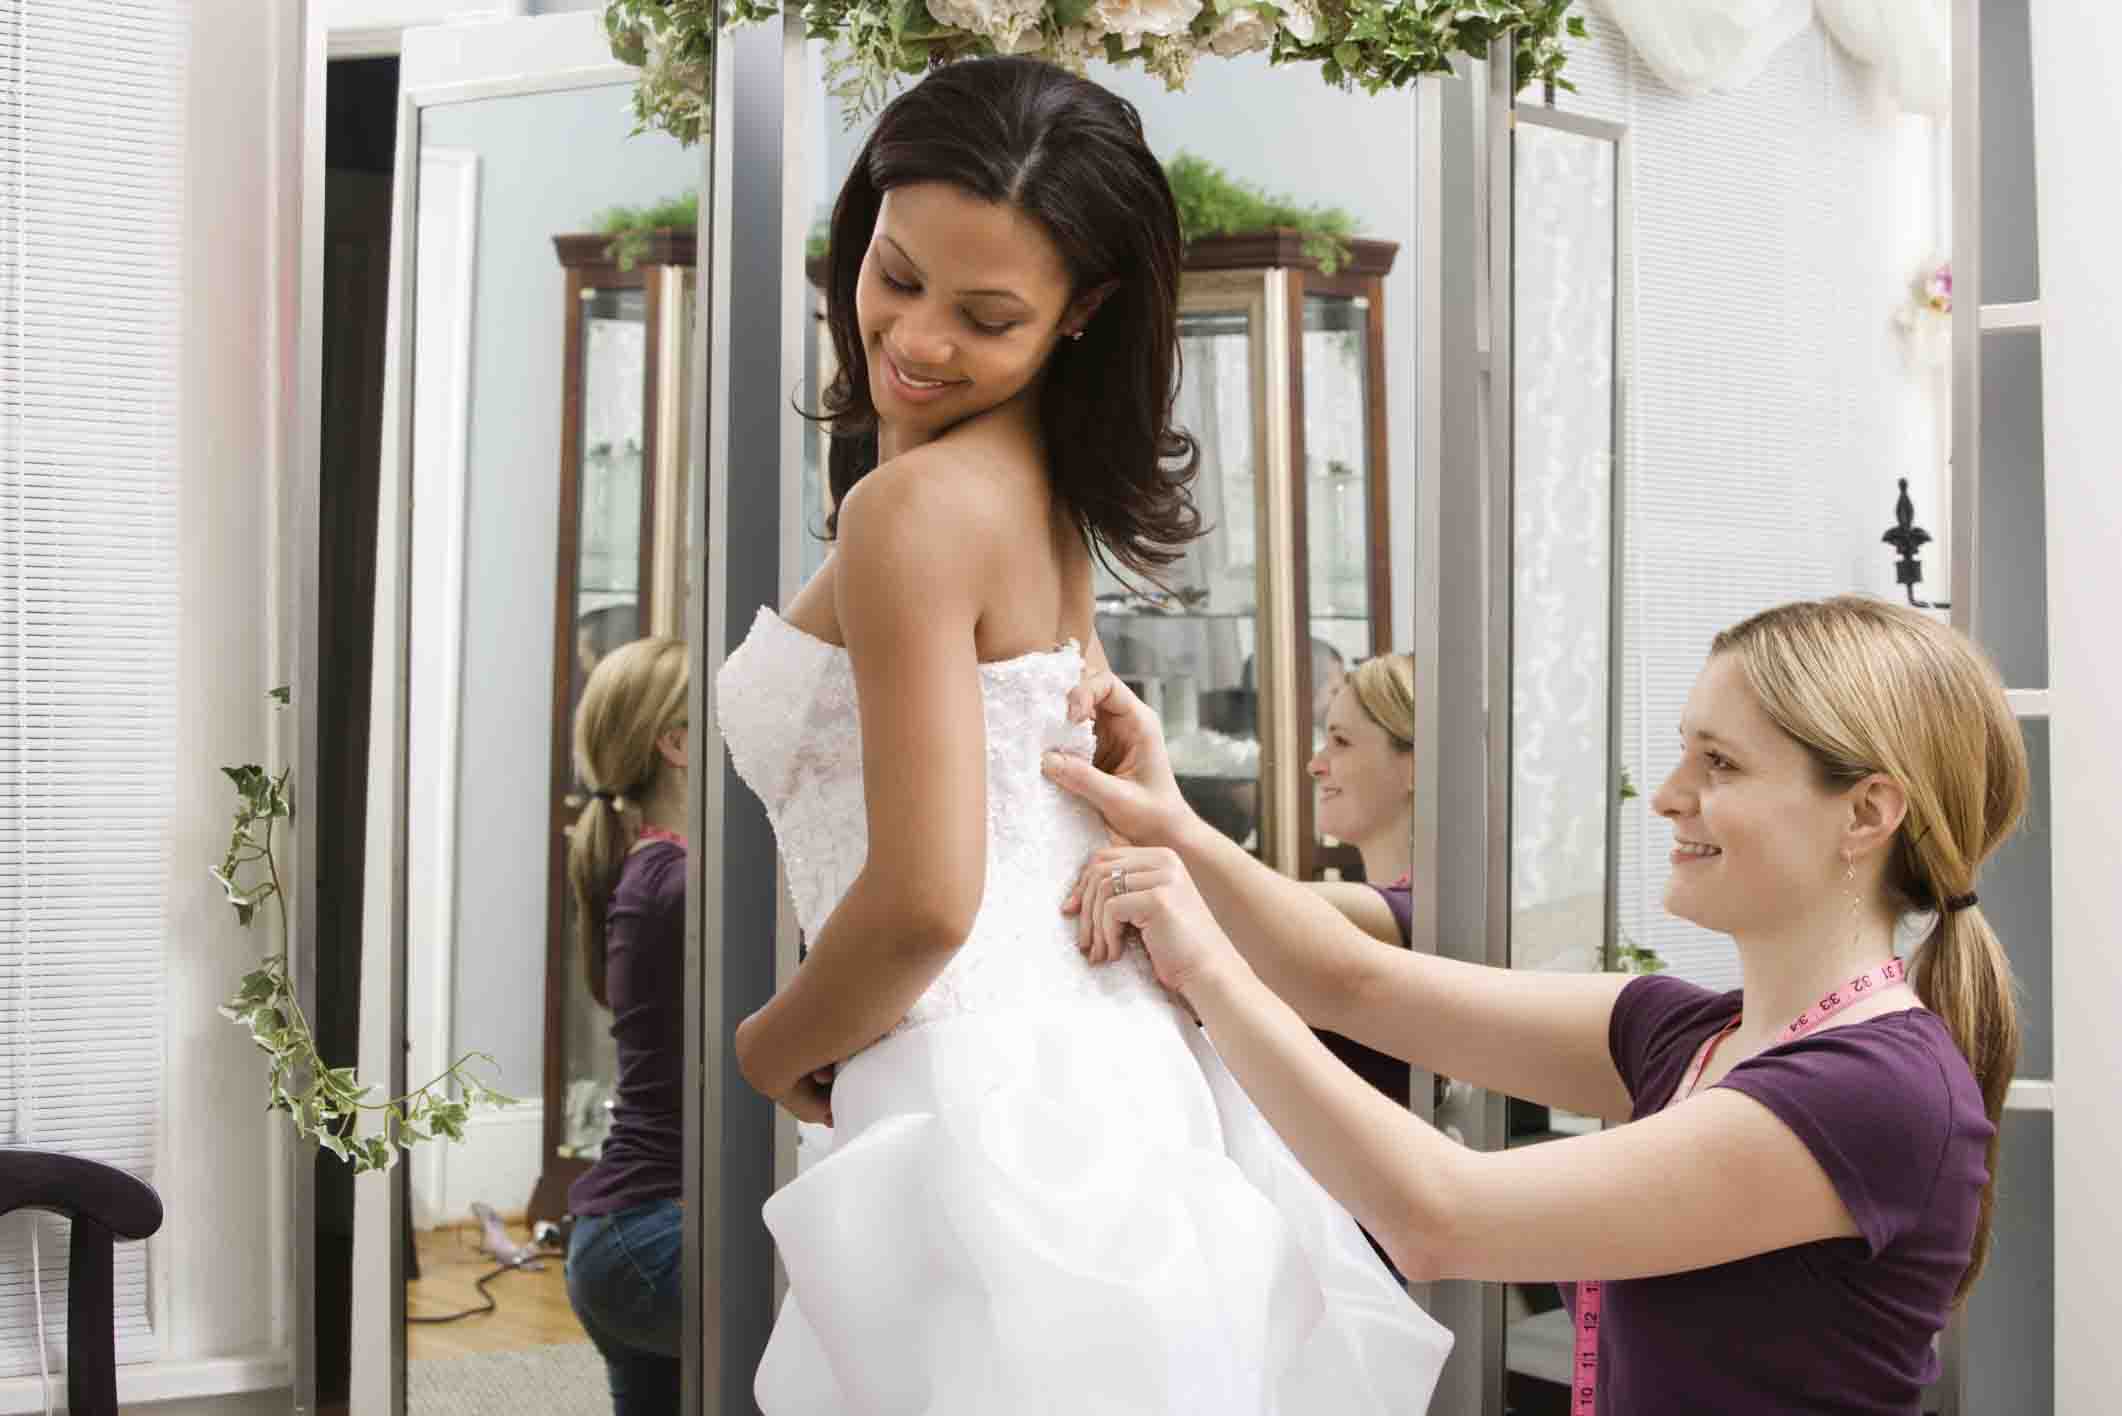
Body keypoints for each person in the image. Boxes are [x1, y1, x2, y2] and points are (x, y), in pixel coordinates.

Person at [715, 55, 1451, 1414]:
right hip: (1094, 1075)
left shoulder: (916, 511)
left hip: (982, 1099)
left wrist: (762, 1048)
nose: (918, 338)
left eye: (984, 315)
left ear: (1081, 313)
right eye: (895, 274)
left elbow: (929, 902)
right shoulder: (1038, 490)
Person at [1046, 595, 2025, 1415]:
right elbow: (1353, 984)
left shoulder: (1875, 1094)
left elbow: (1438, 1217)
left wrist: (1209, 971)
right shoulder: (1688, 1035)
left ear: (1865, 813)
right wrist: (1174, 826)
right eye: (1685, 753)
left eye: (1719, 764)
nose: (1670, 795)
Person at [560, 636, 690, 1415]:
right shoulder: (680, 886)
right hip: (654, 1237)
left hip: (621, 1238)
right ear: (676, 744)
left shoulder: (656, 870)